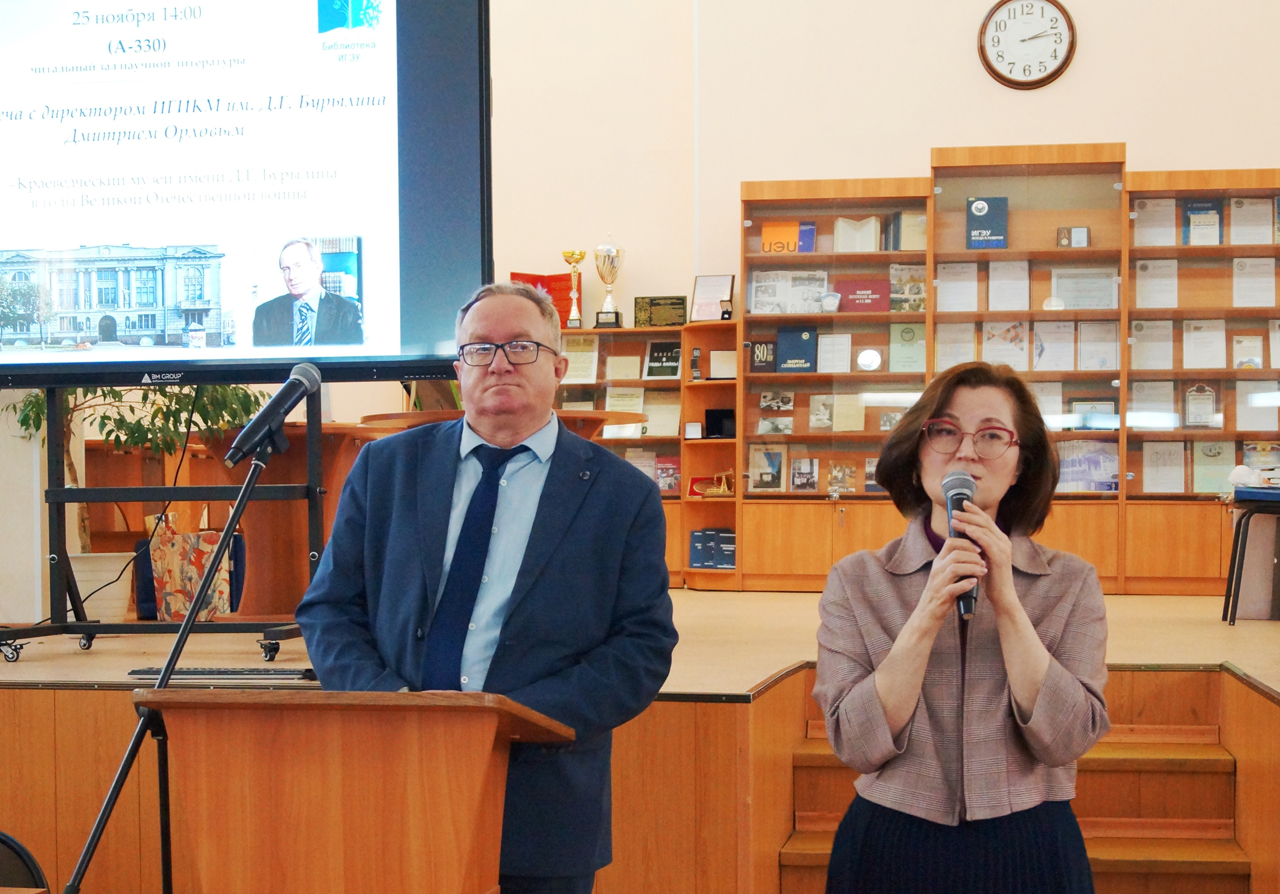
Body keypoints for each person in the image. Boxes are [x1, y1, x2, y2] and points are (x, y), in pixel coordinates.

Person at [295, 281, 677, 893]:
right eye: (480, 348)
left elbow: (642, 647)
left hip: (542, 796)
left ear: (559, 367)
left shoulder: (621, 495)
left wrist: (509, 722)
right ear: (459, 370)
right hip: (393, 776)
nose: (499, 363)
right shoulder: (386, 468)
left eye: (521, 346)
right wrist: (391, 705)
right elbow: (330, 610)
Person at [813, 361, 1109, 894]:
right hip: (891, 842)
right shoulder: (857, 580)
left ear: (1020, 466)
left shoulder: (1071, 582)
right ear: (917, 453)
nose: (966, 452)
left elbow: (1068, 739)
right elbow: (854, 743)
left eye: (992, 435)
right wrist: (927, 611)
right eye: (945, 431)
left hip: (1031, 843)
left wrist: (1007, 601)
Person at [252, 238, 363, 346]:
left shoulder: (348, 311)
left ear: (318, 268)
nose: (291, 276)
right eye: (286, 269)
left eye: (298, 266)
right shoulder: (265, 314)